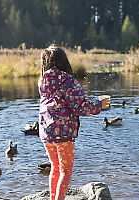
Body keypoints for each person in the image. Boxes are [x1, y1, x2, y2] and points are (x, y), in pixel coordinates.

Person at [38, 44, 110, 200]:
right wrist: (99, 104)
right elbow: (81, 107)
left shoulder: (42, 81)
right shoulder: (69, 82)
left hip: (46, 132)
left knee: (55, 168)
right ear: (65, 63)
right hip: (64, 134)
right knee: (65, 171)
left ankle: (53, 198)